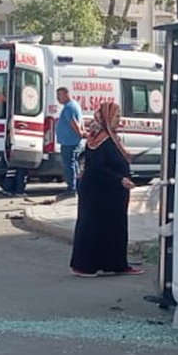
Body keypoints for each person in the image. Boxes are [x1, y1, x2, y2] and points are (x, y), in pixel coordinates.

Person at [70, 102, 142, 277]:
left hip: (112, 193)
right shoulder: (98, 138)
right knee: (93, 226)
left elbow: (114, 158)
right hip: (98, 192)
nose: (119, 120)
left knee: (114, 227)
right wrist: (120, 179)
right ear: (107, 118)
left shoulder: (111, 137)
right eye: (116, 116)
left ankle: (116, 264)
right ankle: (85, 265)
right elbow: (97, 167)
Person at [54, 87, 84, 198]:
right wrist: (82, 131)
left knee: (69, 165)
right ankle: (75, 187)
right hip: (72, 141)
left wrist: (80, 132)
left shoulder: (69, 107)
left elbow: (74, 122)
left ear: (67, 94)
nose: (58, 98)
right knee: (74, 164)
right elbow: (81, 121)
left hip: (69, 142)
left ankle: (71, 189)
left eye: (60, 95)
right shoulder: (75, 105)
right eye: (57, 95)